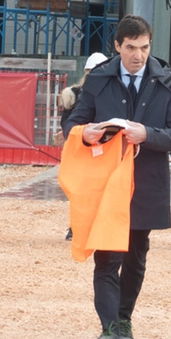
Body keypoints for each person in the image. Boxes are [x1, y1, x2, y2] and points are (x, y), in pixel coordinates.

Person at [61, 15, 171, 339]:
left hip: (146, 182)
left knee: (135, 257)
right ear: (117, 46)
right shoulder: (99, 80)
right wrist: (84, 133)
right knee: (106, 259)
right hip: (106, 183)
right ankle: (108, 330)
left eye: (144, 47)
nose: (138, 55)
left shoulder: (167, 82)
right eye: (131, 47)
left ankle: (124, 319)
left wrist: (148, 134)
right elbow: (73, 123)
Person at [59, 51, 107, 242]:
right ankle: (76, 227)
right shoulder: (75, 94)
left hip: (100, 151)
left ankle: (92, 227)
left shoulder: (107, 94)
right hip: (81, 150)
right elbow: (66, 123)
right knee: (79, 190)